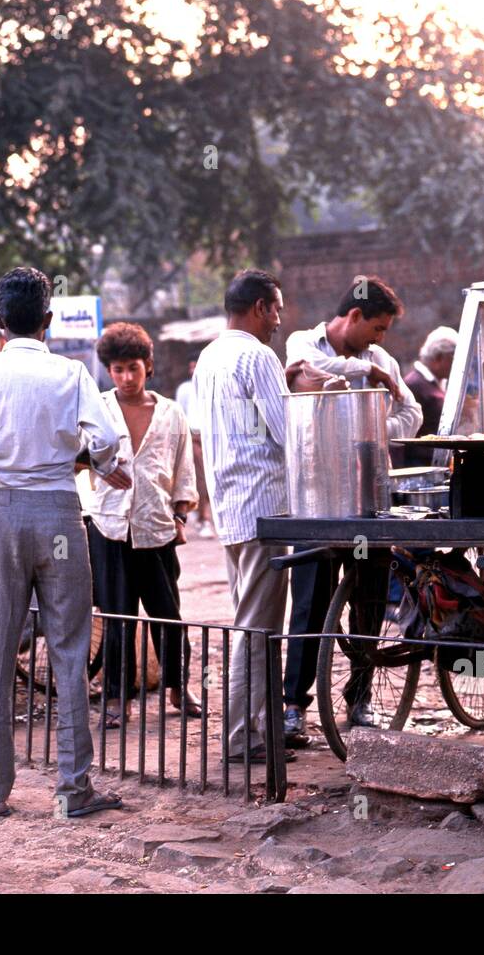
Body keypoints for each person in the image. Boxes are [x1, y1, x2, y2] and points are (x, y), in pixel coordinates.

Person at [0, 266, 130, 820]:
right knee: (70, 651)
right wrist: (95, 463)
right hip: (60, 513)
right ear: (50, 321)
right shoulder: (72, 373)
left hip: (4, 513)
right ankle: (73, 789)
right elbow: (105, 440)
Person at [280, 275, 423, 744]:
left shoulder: (383, 360)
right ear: (355, 316)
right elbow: (314, 368)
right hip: (318, 498)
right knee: (309, 604)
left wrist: (373, 418)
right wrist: (368, 379)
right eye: (377, 328)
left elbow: (412, 414)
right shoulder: (305, 341)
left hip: (366, 500)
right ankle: (293, 707)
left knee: (366, 602)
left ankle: (359, 697)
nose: (381, 340)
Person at [193, 268, 324, 764]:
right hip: (263, 508)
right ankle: (243, 738)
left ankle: (260, 731)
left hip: (231, 504)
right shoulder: (257, 355)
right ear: (260, 308)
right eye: (277, 309)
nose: (280, 319)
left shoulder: (211, 355)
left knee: (256, 623)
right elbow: (285, 430)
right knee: (257, 627)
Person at [85, 323, 201, 725]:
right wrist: (100, 464)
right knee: (118, 616)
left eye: (133, 368)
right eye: (118, 370)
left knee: (168, 612)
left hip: (156, 525)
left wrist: (181, 513)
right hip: (109, 525)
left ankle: (176, 687)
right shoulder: (96, 409)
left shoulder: (171, 413)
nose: (126, 378)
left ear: (147, 366)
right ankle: (117, 700)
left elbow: (183, 468)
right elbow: (74, 454)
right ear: (108, 371)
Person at [175, 353, 214, 538]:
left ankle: (207, 517)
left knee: (213, 478)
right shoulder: (185, 389)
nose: (193, 370)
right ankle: (203, 519)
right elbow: (179, 414)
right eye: (191, 367)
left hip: (213, 437)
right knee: (200, 479)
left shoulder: (214, 385)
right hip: (194, 436)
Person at [404, 326, 457, 436]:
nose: (456, 365)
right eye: (453, 360)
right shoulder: (414, 385)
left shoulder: (438, 383)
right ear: (438, 357)